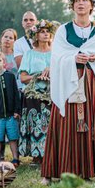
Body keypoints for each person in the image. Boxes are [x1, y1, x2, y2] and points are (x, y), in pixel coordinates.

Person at [41, 0, 95, 183]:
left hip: (93, 84)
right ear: (72, 5)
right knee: (67, 124)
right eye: (77, 1)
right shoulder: (63, 30)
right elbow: (57, 58)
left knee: (94, 123)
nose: (81, 4)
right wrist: (73, 57)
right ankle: (62, 169)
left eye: (85, 0)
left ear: (92, 6)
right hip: (70, 82)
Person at [18, 20, 54, 166]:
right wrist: (37, 76)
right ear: (36, 35)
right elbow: (22, 77)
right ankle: (36, 156)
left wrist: (52, 71)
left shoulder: (57, 53)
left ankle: (51, 155)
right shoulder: (29, 54)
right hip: (34, 94)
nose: (46, 34)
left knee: (51, 124)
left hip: (52, 94)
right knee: (35, 124)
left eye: (47, 32)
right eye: (42, 32)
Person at [13, 11, 37, 91]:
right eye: (25, 20)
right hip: (27, 85)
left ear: (36, 22)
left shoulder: (45, 40)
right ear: (22, 23)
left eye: (31, 20)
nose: (28, 22)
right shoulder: (18, 43)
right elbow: (21, 66)